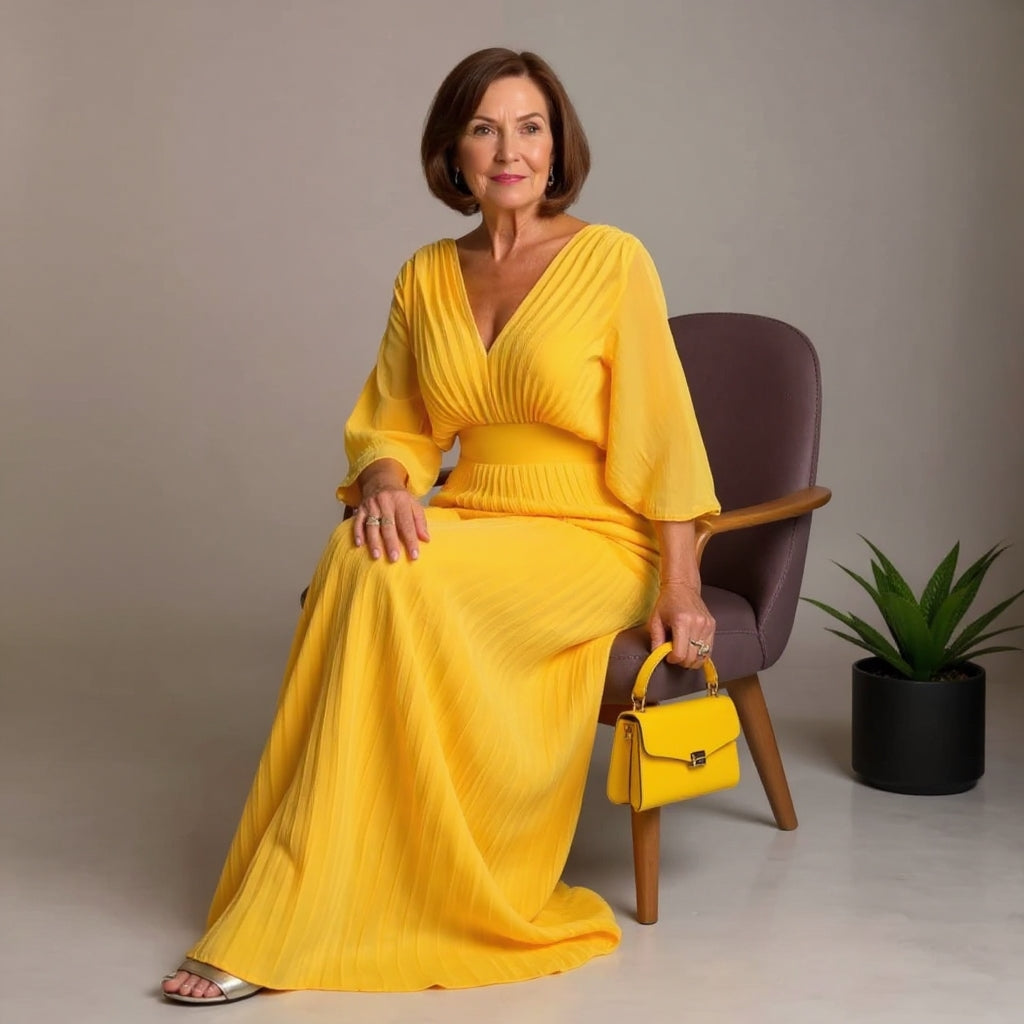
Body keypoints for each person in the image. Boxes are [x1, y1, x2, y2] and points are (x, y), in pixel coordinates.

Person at [162, 47, 719, 1003]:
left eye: (531, 127)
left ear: (558, 147)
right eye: (485, 128)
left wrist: (681, 583)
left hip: (591, 532)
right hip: (475, 508)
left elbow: (664, 433)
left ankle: (317, 901)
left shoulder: (613, 259)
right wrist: (385, 481)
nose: (511, 151)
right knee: (358, 551)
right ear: (453, 152)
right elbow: (395, 423)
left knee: (393, 574)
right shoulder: (426, 274)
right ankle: (323, 881)